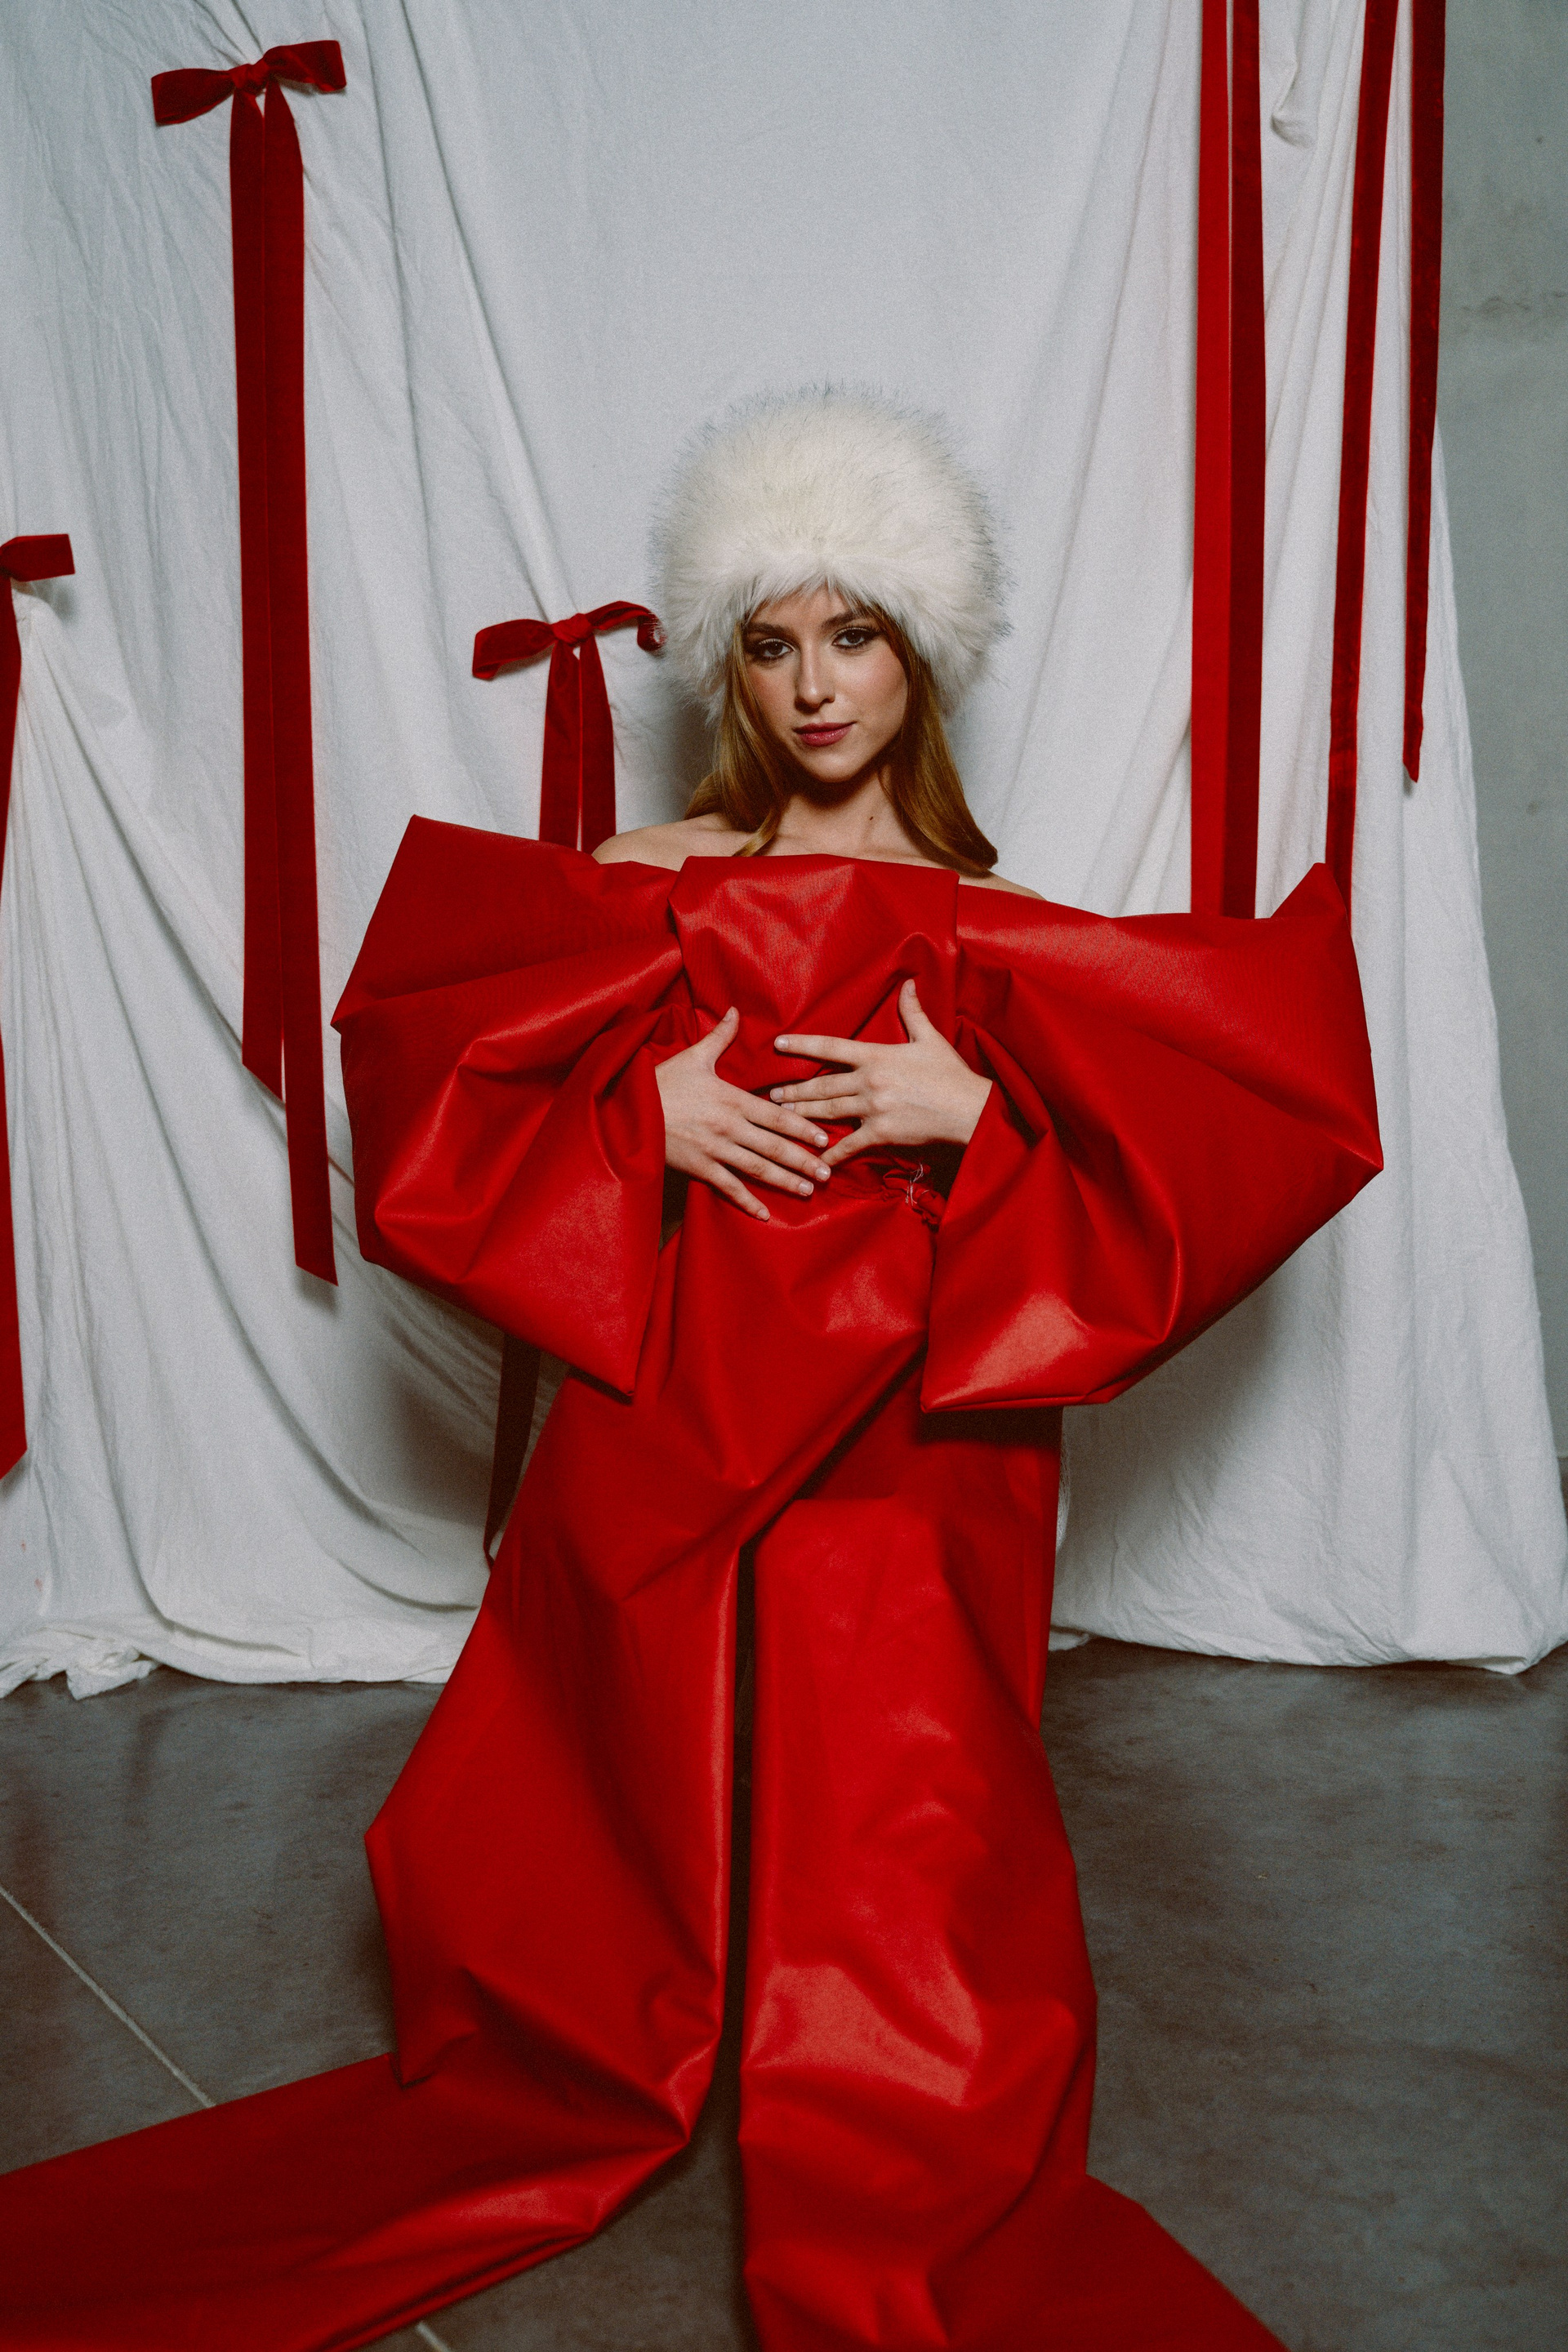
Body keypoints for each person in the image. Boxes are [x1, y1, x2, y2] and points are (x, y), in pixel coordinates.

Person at [0, 391, 1381, 2350]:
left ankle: (901, 2134)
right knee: (606, 1791)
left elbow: (1227, 1154)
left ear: (920, 649)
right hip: (673, 1419)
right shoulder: (646, 876)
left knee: (910, 1831)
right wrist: (637, 1114)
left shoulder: (1006, 929)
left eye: (855, 634)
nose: (815, 686)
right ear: (726, 661)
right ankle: (577, 2052)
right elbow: (423, 1073)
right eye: (772, 641)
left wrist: (976, 1115)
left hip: (914, 1448)